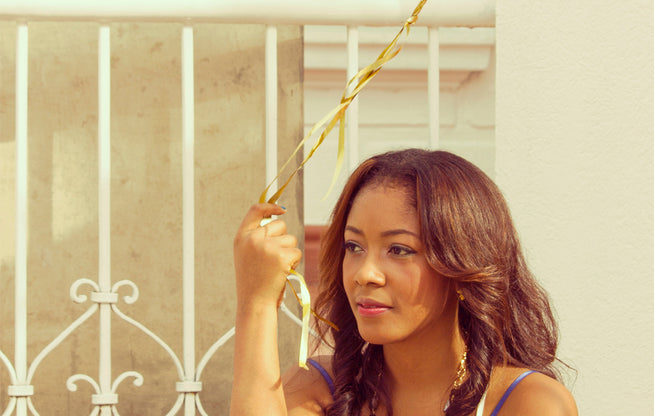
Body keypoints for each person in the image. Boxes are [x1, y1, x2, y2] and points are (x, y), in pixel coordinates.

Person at [230, 148, 577, 416]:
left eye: (399, 249)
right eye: (354, 246)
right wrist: (256, 304)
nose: (365, 273)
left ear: (462, 268)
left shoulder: (527, 403)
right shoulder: (320, 389)